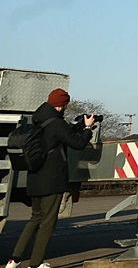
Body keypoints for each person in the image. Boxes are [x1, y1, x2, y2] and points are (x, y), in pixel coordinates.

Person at [6, 89, 97, 268]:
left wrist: (77, 127)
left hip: (34, 179)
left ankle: (14, 259)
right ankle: (36, 263)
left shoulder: (39, 121)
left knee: (35, 219)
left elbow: (62, 135)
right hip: (52, 181)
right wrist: (87, 128)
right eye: (65, 105)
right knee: (48, 224)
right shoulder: (57, 124)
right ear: (60, 105)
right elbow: (78, 144)